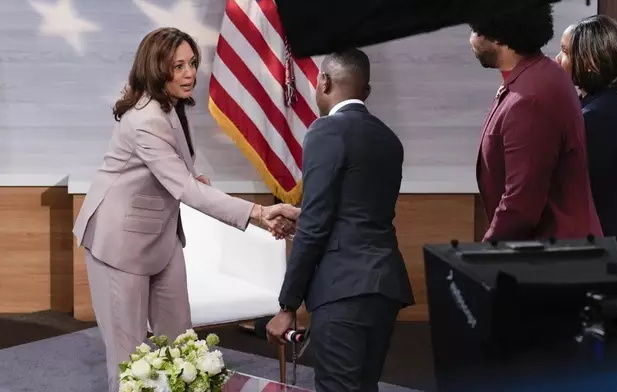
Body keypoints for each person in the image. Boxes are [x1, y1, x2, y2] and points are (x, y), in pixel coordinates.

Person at [72, 27, 294, 392]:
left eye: (192, 63)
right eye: (178, 66)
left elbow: (179, 175)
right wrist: (258, 213)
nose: (189, 73)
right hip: (118, 242)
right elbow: (183, 188)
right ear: (156, 69)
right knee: (130, 361)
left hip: (161, 235)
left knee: (181, 346)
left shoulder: (170, 106)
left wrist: (191, 179)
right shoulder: (146, 118)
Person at [264, 49, 415, 391]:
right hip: (384, 286)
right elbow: (356, 211)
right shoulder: (389, 139)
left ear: (325, 82)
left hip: (343, 288)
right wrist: (304, 215)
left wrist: (287, 305)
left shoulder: (326, 131)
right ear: (367, 91)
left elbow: (318, 225)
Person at [468, 4, 602, 241]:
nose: (471, 40)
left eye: (475, 31)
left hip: (555, 259)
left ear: (498, 37)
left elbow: (521, 205)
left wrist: (485, 253)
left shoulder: (531, 97)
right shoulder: (538, 75)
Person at [556, 15, 617, 276]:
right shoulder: (604, 103)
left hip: (607, 253)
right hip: (611, 246)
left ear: (590, 61)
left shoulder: (595, 115)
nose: (557, 60)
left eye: (564, 51)